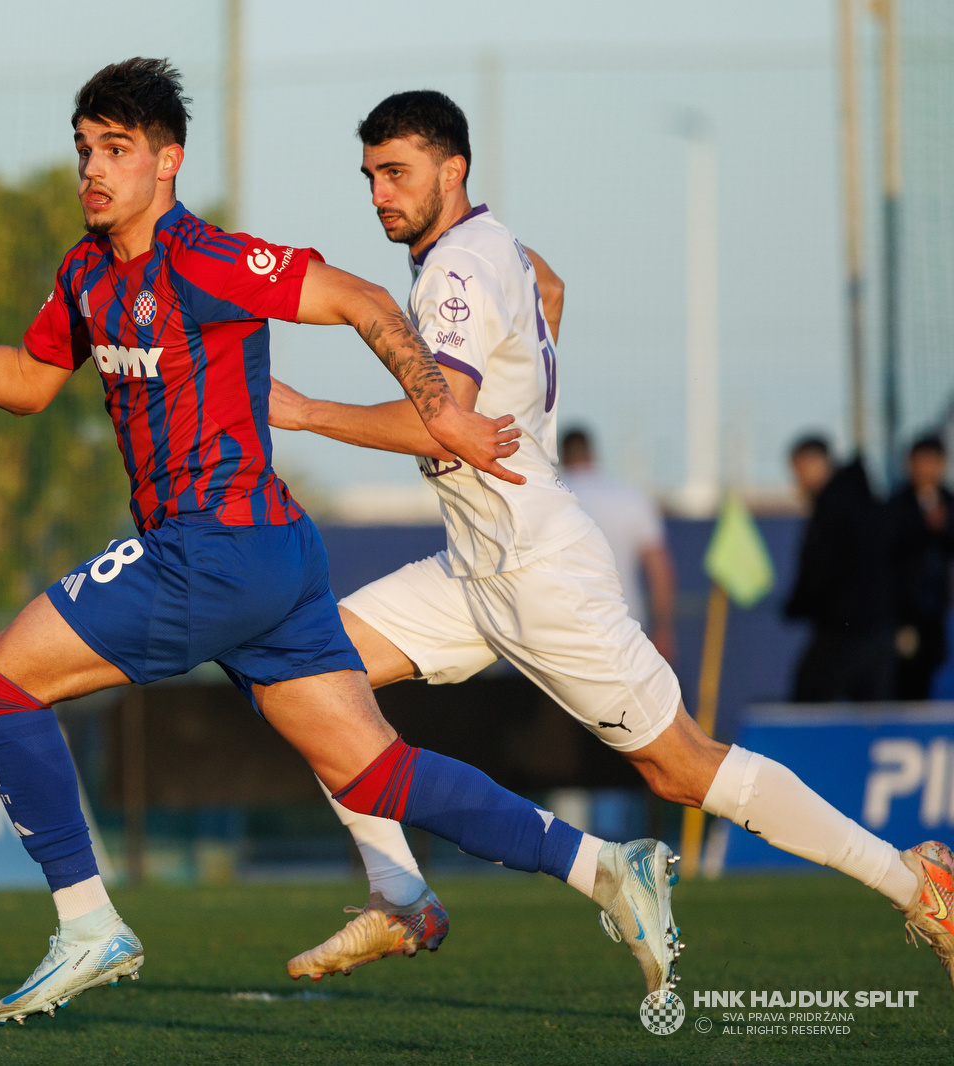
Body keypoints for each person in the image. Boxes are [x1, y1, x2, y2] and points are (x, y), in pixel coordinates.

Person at [0, 60, 675, 1024]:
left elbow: (366, 300)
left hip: (215, 548)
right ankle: (604, 869)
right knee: (371, 769)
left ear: (169, 162)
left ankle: (87, 923)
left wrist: (441, 415)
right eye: (85, 149)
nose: (94, 170)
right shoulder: (85, 273)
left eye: (117, 150)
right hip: (275, 558)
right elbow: (30, 380)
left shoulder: (207, 258)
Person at [268, 89, 954, 989]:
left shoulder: (458, 269)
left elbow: (447, 418)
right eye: (369, 177)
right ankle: (401, 897)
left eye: (395, 173)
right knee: (302, 672)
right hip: (475, 567)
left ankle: (917, 882)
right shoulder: (488, 247)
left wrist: (304, 412)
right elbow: (551, 289)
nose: (378, 195)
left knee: (683, 768)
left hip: (539, 569)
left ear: (453, 168)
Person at [784, 435, 897, 701]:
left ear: (812, 463)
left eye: (798, 470)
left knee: (811, 700)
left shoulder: (834, 505)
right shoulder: (860, 497)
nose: (796, 480)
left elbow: (824, 569)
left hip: (847, 629)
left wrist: (798, 604)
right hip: (874, 627)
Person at [560, 427, 677, 663]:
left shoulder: (551, 496)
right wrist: (664, 629)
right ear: (592, 454)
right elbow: (659, 569)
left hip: (563, 633)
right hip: (625, 628)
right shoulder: (631, 497)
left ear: (563, 456)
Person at [888, 434, 954, 700]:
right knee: (905, 674)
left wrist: (942, 529)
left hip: (936, 608)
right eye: (920, 462)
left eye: (933, 462)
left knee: (932, 664)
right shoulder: (896, 506)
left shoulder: (949, 503)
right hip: (904, 611)